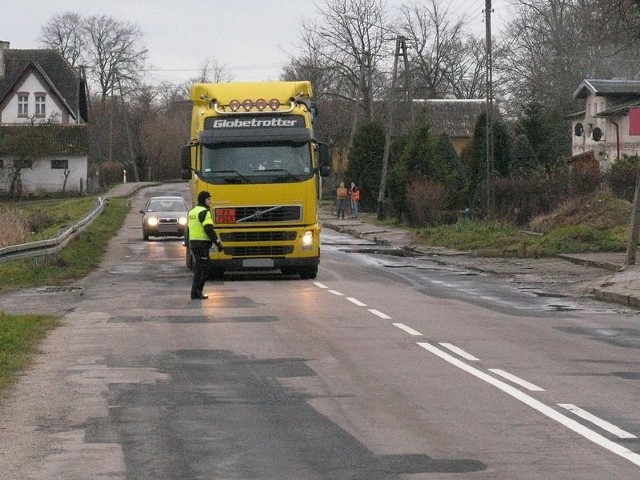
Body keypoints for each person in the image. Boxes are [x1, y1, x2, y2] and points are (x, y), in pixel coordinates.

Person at [188, 191, 224, 300]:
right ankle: (198, 291)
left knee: (199, 268)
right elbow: (209, 229)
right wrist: (218, 243)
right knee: (206, 268)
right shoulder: (205, 212)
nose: (210, 201)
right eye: (208, 199)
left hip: (194, 243)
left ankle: (194, 292)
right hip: (202, 244)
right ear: (204, 200)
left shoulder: (192, 212)